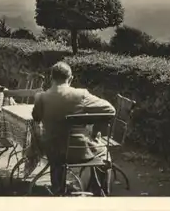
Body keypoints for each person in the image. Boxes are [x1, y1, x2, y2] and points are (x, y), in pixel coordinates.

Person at [32, 62, 116, 196]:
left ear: (51, 78)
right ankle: (99, 191)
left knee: (56, 146)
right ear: (70, 79)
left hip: (51, 151)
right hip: (78, 151)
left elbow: (36, 118)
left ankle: (59, 188)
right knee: (103, 152)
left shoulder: (40, 97)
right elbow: (110, 110)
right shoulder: (80, 95)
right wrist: (88, 119)